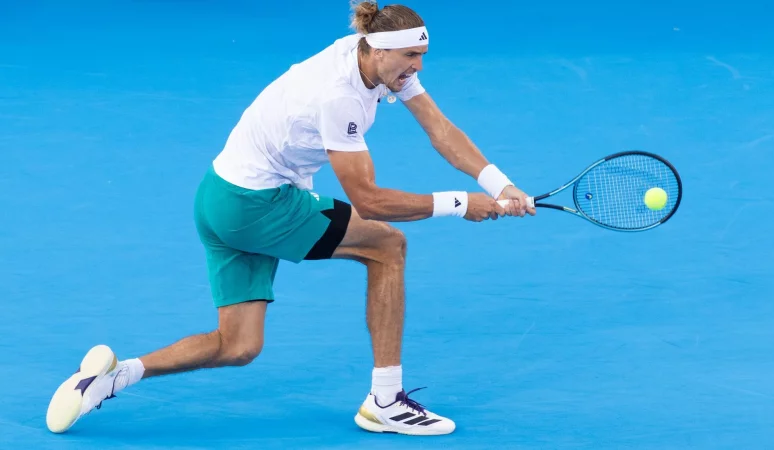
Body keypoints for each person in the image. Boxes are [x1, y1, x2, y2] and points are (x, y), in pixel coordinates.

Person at [45, 0, 536, 437]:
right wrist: (459, 203)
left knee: (238, 346)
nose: (418, 66)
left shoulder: (373, 58)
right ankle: (385, 401)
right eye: (411, 57)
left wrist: (498, 184)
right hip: (257, 206)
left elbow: (438, 127)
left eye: (421, 55)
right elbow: (370, 201)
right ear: (379, 50)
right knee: (387, 246)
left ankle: (112, 377)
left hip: (218, 197)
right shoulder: (339, 95)